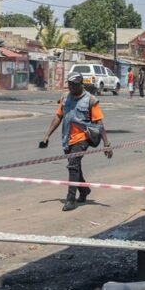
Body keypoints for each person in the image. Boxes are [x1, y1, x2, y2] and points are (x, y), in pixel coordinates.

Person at [40, 72, 112, 211]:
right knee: (75, 166)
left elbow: (99, 123)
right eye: (69, 84)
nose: (71, 87)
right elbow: (58, 117)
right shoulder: (65, 98)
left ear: (81, 84)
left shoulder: (91, 100)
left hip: (82, 138)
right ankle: (84, 190)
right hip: (67, 138)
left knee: (73, 165)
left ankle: (70, 199)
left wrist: (106, 144)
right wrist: (47, 135)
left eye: (74, 85)